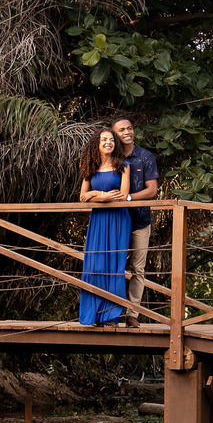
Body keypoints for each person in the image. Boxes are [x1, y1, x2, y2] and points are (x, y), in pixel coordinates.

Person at [77, 128, 131, 326]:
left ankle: (110, 316)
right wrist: (102, 195)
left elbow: (122, 196)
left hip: (118, 219)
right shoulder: (90, 166)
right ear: (97, 144)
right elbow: (83, 197)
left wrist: (94, 195)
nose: (108, 142)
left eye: (111, 140)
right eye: (104, 139)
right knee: (95, 264)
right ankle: (92, 315)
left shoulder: (123, 166)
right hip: (98, 219)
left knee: (114, 266)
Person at [112, 117, 160, 328]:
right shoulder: (109, 155)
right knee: (113, 266)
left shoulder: (145, 156)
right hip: (114, 221)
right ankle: (110, 312)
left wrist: (129, 198)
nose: (127, 132)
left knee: (137, 269)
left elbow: (152, 190)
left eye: (129, 128)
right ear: (115, 134)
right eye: (121, 129)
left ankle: (133, 313)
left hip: (140, 220)